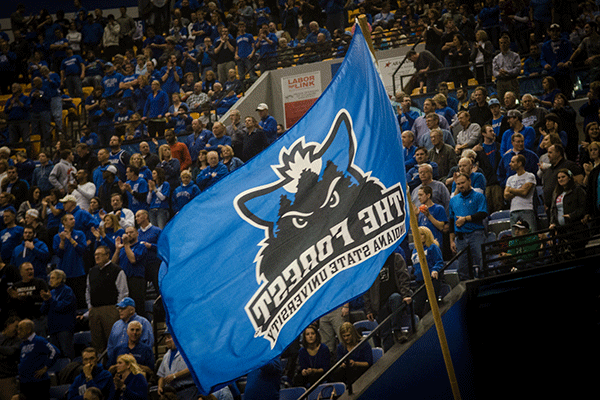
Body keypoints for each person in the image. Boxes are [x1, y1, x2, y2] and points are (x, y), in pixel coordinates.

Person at [364, 252, 413, 350]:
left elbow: (403, 276)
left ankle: (397, 330)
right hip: (379, 304)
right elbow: (367, 288)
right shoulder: (371, 264)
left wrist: (406, 294)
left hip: (394, 298)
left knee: (395, 297)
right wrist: (368, 309)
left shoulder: (395, 258)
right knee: (385, 335)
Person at [85, 245, 129, 353]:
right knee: (97, 342)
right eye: (95, 255)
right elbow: (88, 290)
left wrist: (118, 309)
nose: (97, 257)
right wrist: (90, 307)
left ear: (107, 255)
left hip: (111, 310)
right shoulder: (92, 271)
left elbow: (123, 292)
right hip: (95, 311)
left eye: (100, 254)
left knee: (113, 340)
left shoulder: (116, 270)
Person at [449, 173, 488, 280]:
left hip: (476, 234)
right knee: (462, 267)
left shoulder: (479, 196)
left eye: (463, 183)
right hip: (460, 237)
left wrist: (465, 219)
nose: (461, 186)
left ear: (469, 182)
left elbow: (483, 213)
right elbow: (451, 219)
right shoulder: (453, 200)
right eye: (458, 184)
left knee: (481, 262)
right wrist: (451, 240)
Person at [17, 318, 58, 400]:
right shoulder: (23, 344)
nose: (18, 331)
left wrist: (46, 367)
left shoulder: (39, 341)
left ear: (28, 330)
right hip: (25, 382)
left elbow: (55, 351)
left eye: (21, 328)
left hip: (38, 383)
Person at [549, 169, 588, 256]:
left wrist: (572, 216)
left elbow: (583, 207)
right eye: (559, 178)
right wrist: (552, 222)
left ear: (569, 178)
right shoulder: (556, 193)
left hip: (575, 229)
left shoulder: (578, 190)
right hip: (561, 231)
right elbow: (553, 210)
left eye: (563, 177)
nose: (560, 179)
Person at [40, 269, 76, 360]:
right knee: (56, 355)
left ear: (60, 279)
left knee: (67, 353)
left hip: (64, 328)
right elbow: (43, 310)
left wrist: (50, 300)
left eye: (53, 278)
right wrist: (45, 300)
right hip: (53, 329)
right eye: (50, 278)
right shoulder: (51, 292)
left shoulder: (67, 291)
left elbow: (62, 307)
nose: (50, 280)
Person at [53, 213, 88, 308]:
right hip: (64, 272)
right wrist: (63, 241)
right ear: (64, 222)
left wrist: (71, 239)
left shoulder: (80, 234)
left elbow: (82, 250)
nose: (74, 220)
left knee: (79, 299)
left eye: (74, 219)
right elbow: (59, 254)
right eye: (70, 219)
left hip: (78, 271)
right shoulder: (57, 237)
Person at [112, 227, 148, 318]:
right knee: (124, 308)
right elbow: (112, 264)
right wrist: (117, 249)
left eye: (131, 232)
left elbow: (133, 259)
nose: (128, 234)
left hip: (136, 280)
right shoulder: (123, 249)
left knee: (138, 308)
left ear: (137, 234)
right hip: (124, 281)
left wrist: (126, 244)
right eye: (126, 233)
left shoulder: (141, 246)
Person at [106, 297, 153, 365]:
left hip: (137, 363)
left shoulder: (143, 322)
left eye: (123, 308)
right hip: (118, 364)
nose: (120, 311)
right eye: (119, 308)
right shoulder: (116, 325)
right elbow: (110, 345)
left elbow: (148, 345)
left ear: (131, 310)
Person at [411, 226, 444, 317]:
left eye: (422, 234)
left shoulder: (433, 247)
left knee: (431, 306)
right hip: (420, 281)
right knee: (417, 307)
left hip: (432, 280)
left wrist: (435, 270)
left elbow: (439, 261)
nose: (419, 236)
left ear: (427, 235)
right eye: (417, 234)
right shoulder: (414, 250)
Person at [157, 329, 198, 400]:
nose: (167, 340)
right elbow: (161, 375)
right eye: (166, 338)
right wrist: (160, 386)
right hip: (172, 393)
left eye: (169, 337)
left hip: (188, 390)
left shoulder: (187, 351)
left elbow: (193, 368)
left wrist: (175, 375)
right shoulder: (166, 356)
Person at [504, 154, 538, 232]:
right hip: (513, 211)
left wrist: (511, 190)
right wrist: (519, 190)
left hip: (527, 209)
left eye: (512, 162)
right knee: (515, 238)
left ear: (519, 163)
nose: (510, 164)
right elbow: (506, 195)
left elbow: (524, 192)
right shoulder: (510, 179)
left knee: (530, 235)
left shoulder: (530, 176)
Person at [493, 35, 521, 106]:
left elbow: (517, 69)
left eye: (505, 43)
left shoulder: (515, 56)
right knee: (502, 102)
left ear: (508, 44)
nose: (503, 45)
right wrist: (499, 73)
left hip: (512, 80)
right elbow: (494, 71)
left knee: (515, 100)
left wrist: (507, 72)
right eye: (501, 43)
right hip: (500, 81)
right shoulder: (496, 58)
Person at [0, 316, 20, 400]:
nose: (17, 330)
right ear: (8, 325)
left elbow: (11, 351)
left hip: (7, 378)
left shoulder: (18, 340)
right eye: (16, 326)